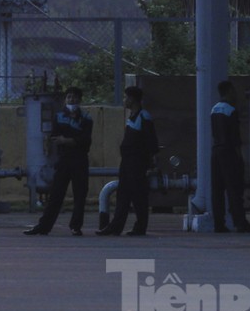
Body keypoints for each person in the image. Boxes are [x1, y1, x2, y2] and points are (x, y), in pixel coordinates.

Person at [24, 86, 93, 236]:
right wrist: (72, 140)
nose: (71, 100)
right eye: (69, 97)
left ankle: (76, 226)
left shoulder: (86, 118)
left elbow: (85, 141)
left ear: (79, 100)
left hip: (80, 159)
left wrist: (67, 140)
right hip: (64, 159)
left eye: (74, 97)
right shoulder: (59, 116)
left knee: (80, 194)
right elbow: (56, 137)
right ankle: (44, 226)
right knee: (56, 194)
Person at [97, 85, 158, 237]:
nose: (124, 100)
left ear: (132, 99)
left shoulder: (144, 117)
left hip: (137, 162)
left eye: (126, 97)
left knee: (138, 196)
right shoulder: (132, 116)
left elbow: (151, 142)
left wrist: (150, 162)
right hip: (127, 162)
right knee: (123, 195)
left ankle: (140, 227)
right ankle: (115, 227)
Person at [208, 79, 250, 232]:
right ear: (228, 91)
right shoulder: (231, 110)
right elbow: (235, 137)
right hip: (229, 153)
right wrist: (240, 157)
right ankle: (240, 222)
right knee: (234, 188)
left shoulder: (214, 109)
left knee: (217, 189)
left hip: (216, 152)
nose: (235, 94)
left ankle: (219, 223)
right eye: (233, 91)